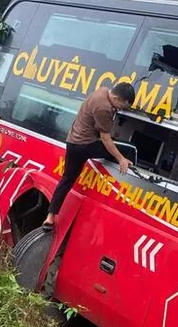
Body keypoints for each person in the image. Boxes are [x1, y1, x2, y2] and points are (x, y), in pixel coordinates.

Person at [43, 82, 136, 230]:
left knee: (67, 180)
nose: (120, 109)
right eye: (121, 106)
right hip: (85, 146)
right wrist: (121, 159)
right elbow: (105, 138)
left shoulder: (103, 90)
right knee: (128, 149)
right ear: (116, 98)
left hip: (72, 142)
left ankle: (50, 217)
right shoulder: (104, 108)